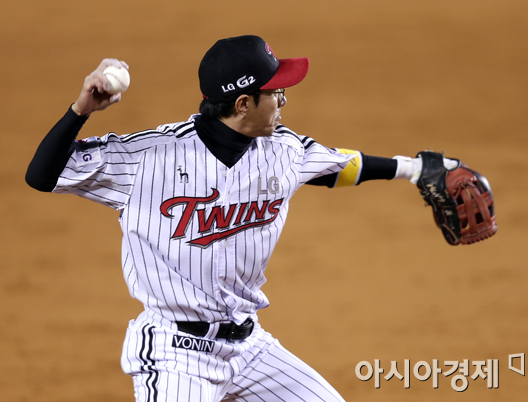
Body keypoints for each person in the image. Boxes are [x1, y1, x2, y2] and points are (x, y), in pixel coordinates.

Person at [26, 35, 436, 402]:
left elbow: (338, 167)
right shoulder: (146, 158)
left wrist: (415, 170)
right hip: (175, 354)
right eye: (275, 92)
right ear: (243, 104)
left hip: (250, 348)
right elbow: (43, 175)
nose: (284, 100)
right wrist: (81, 110)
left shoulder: (284, 149)